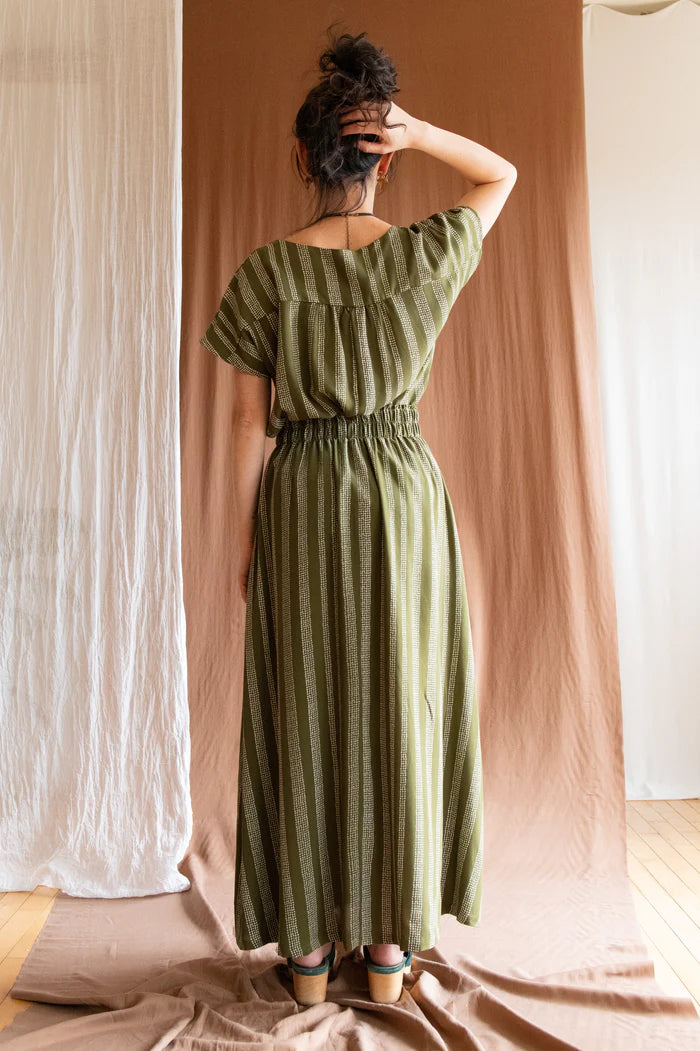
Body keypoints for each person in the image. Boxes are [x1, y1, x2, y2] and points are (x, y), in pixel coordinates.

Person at [200, 28, 516, 1006]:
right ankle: (385, 954)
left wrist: (248, 544)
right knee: (399, 702)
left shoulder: (264, 274)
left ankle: (305, 956)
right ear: (382, 158)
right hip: (402, 496)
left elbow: (247, 427)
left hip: (300, 493)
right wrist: (420, 132)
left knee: (304, 702)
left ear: (303, 160)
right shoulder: (425, 256)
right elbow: (499, 175)